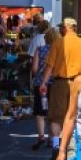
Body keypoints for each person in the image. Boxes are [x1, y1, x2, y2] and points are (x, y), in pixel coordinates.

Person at [40, 18, 81, 160]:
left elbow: (49, 65)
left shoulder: (58, 42)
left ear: (66, 28)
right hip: (79, 83)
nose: (61, 29)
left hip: (60, 83)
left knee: (56, 116)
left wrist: (43, 83)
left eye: (62, 27)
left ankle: (56, 145)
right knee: (75, 115)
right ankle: (72, 147)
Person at [30, 17, 57, 149]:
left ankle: (41, 136)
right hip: (54, 84)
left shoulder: (39, 50)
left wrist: (38, 75)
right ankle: (52, 138)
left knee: (40, 112)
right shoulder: (58, 51)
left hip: (40, 84)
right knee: (52, 112)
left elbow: (34, 69)